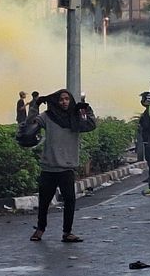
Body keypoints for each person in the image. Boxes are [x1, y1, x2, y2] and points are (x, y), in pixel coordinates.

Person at [23, 89, 97, 242]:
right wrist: (35, 105)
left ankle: (67, 232)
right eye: (61, 99)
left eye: (67, 99)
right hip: (49, 167)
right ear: (56, 101)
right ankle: (40, 229)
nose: (64, 102)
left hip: (67, 168)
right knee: (44, 202)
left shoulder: (75, 118)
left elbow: (91, 125)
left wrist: (86, 109)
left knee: (70, 201)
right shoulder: (48, 117)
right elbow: (31, 123)